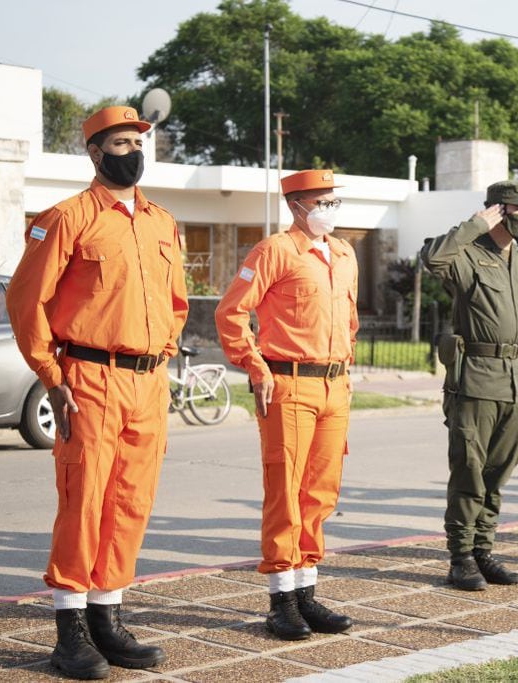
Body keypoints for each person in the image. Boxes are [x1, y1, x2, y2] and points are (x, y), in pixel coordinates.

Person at [6, 105, 188, 679]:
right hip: (87, 379)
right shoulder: (66, 217)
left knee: (131, 502)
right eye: (119, 143)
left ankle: (108, 617)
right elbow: (24, 301)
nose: (132, 151)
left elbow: (178, 302)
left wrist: (158, 351)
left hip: (147, 380)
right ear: (93, 152)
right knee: (83, 502)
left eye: (138, 141)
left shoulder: (162, 220)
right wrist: (53, 377)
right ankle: (70, 632)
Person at [215, 169, 356, 640]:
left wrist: (346, 370)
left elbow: (349, 321)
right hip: (289, 384)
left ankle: (307, 592)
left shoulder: (343, 253)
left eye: (334, 201)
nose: (331, 209)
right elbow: (231, 312)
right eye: (323, 201)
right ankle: (280, 599)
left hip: (334, 387)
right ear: (297, 206)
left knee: (320, 493)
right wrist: (255, 367)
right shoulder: (274, 251)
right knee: (286, 491)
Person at [421, 180, 518, 591]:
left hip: (512, 383)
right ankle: (461, 557)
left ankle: (484, 550)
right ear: (499, 211)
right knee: (469, 471)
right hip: (475, 381)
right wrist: (473, 226)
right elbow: (433, 259)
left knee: (499, 471)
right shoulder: (467, 254)